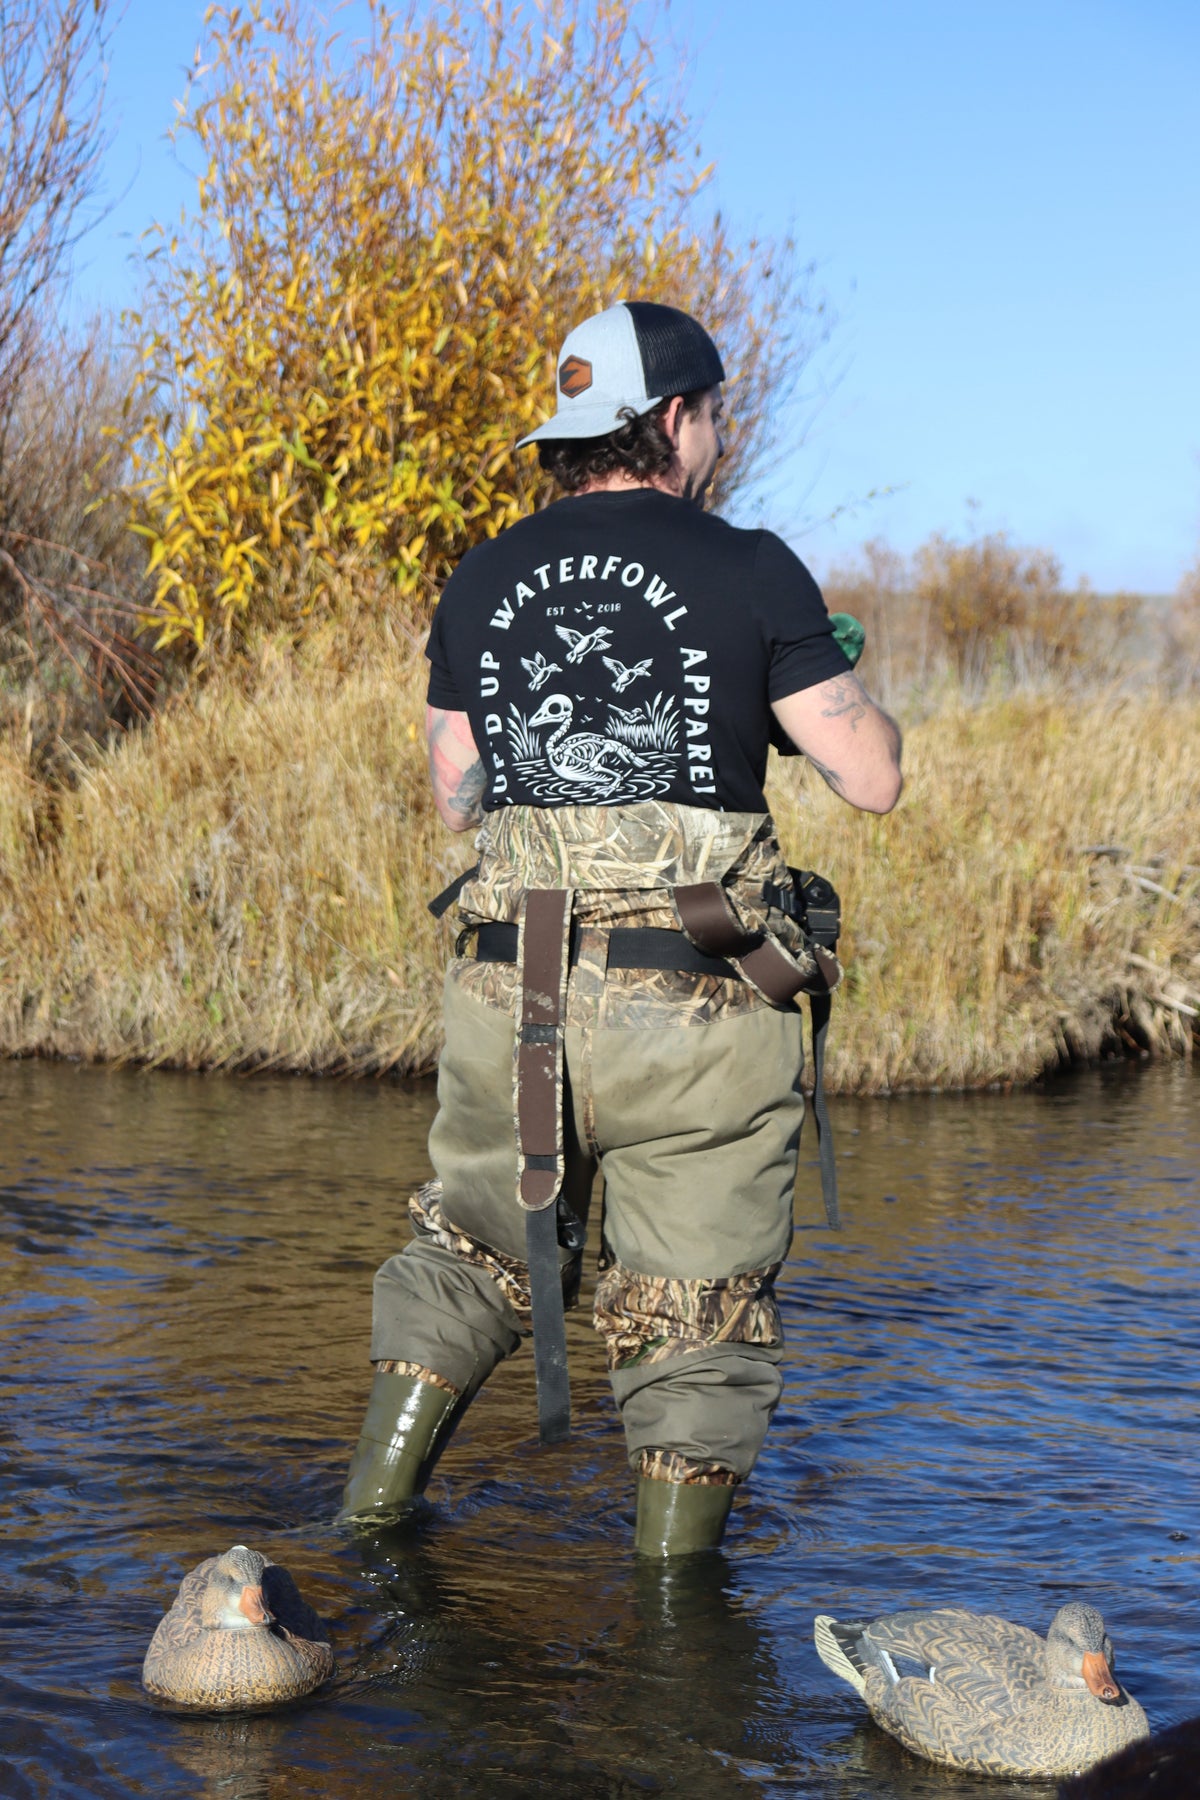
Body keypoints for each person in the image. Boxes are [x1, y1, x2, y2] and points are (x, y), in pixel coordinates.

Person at [340, 300, 902, 1554]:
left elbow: (455, 796)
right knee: (696, 1318)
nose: (716, 437)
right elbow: (868, 774)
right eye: (709, 415)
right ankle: (670, 1648)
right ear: (675, 421)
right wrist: (833, 671)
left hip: (510, 994)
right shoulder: (754, 566)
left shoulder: (483, 571)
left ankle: (365, 1523)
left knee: (470, 1253)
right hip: (696, 1013)